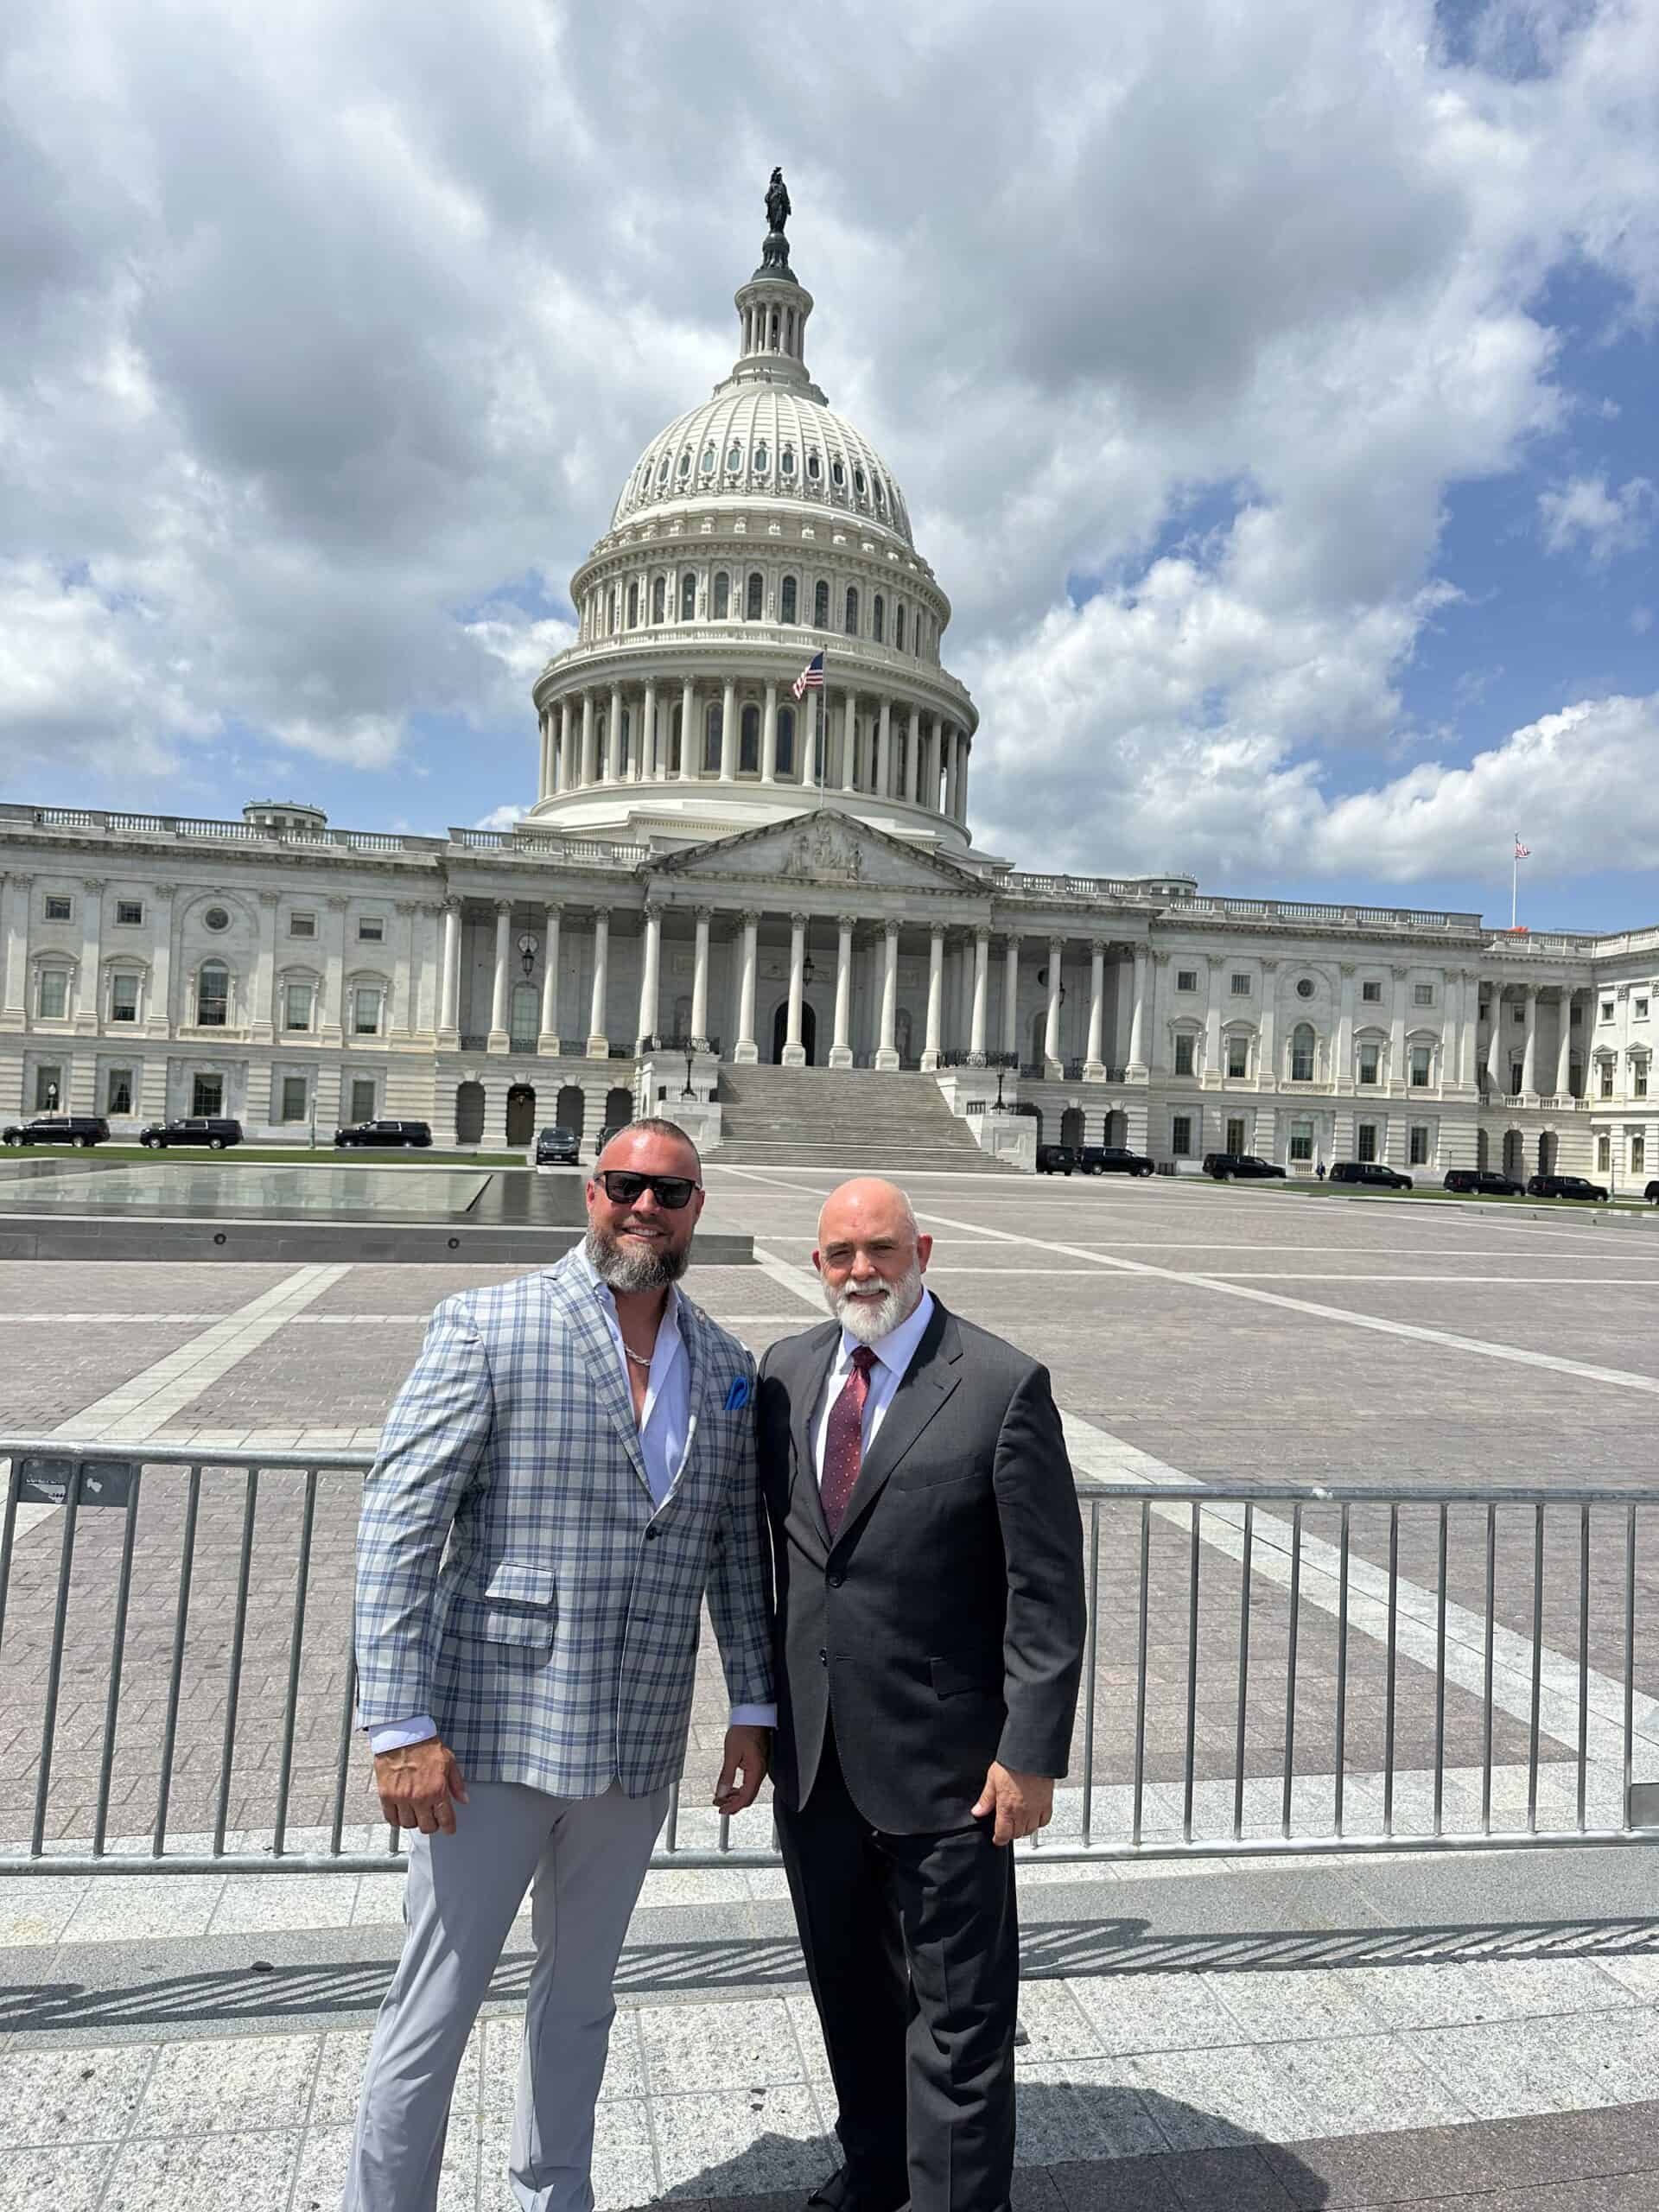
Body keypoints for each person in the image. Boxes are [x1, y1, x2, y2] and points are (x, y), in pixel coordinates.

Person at [343, 1117, 773, 2212]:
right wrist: (397, 1724)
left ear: (695, 1212)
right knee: (432, 2008)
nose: (645, 1206)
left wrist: (754, 1702)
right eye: (626, 1184)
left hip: (632, 1740)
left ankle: (555, 2195)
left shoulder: (727, 1366)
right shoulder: (490, 1324)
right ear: (589, 1193)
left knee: (580, 1999)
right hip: (486, 1737)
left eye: (669, 1193)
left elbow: (730, 1548)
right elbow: (400, 1523)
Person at [756, 1178, 1085, 2212]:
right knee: (851, 1997)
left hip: (953, 1766)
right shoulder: (786, 1374)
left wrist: (1030, 1748)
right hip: (818, 1761)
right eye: (841, 1253)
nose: (863, 1270)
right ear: (817, 1265)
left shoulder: (998, 1382)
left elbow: (1047, 1585)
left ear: (924, 1250)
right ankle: (875, 2172)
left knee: (958, 2018)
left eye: (881, 1249)